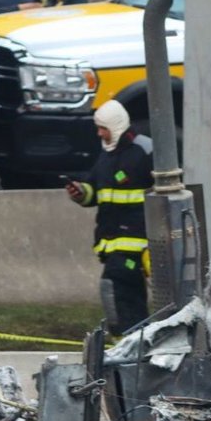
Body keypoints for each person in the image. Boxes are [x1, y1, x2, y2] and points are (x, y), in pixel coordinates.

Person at [65, 100, 152, 334]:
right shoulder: (106, 157)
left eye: (103, 128)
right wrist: (81, 192)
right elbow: (95, 191)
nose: (99, 133)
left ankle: (129, 341)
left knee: (115, 287)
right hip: (111, 245)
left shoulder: (145, 152)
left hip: (135, 247)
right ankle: (133, 344)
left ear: (115, 126)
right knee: (125, 295)